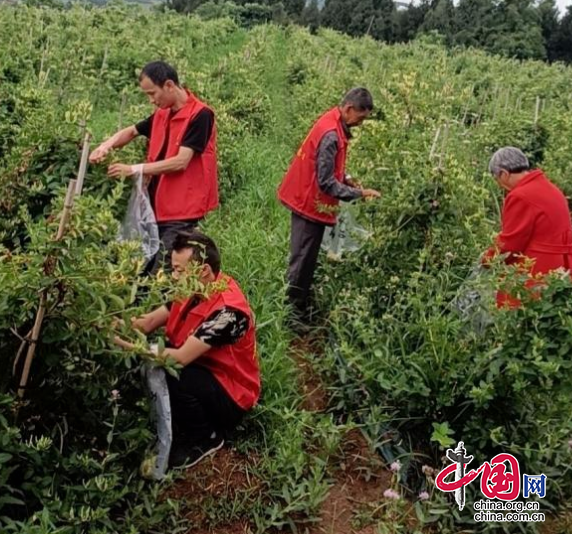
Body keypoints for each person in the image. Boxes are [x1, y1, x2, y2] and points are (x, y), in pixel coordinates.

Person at [113, 231, 260, 469]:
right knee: (163, 356)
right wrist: (111, 324)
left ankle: (205, 438)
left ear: (203, 271)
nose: (173, 276)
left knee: (174, 372)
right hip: (205, 369)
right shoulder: (191, 288)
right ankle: (185, 418)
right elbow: (148, 323)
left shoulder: (229, 313)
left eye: (179, 270)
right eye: (173, 268)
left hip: (232, 394)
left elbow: (180, 358)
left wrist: (127, 345)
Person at [89, 61, 218, 273]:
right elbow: (131, 132)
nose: (151, 100)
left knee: (163, 272)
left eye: (152, 93)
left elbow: (181, 161)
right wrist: (105, 146)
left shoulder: (200, 115)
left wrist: (134, 169)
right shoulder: (162, 114)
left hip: (181, 211)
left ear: (169, 85)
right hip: (156, 206)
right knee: (143, 267)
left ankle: (168, 305)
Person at [277, 88, 381, 328]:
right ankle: (289, 318)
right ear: (348, 109)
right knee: (301, 262)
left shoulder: (333, 124)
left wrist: (347, 177)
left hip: (308, 200)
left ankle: (296, 310)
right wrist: (359, 193)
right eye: (360, 117)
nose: (360, 123)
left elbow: (330, 170)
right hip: (308, 203)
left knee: (305, 260)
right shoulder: (332, 135)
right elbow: (325, 183)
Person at [483, 147, 572, 307]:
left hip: (539, 270)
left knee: (524, 320)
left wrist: (487, 259)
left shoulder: (520, 195)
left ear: (504, 174)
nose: (500, 185)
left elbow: (511, 243)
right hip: (564, 266)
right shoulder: (550, 188)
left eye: (497, 179)